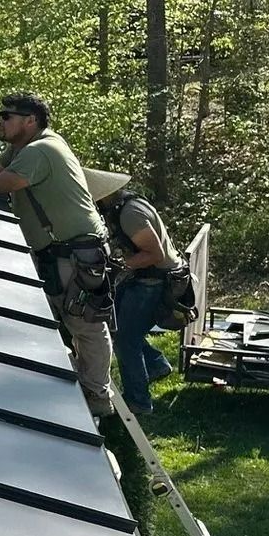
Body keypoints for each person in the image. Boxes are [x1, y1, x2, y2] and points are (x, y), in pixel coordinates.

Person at [0, 93, 116, 416]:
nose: (0, 121)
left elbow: (2, 183)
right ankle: (82, 386)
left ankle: (97, 395)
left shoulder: (41, 150)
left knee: (86, 324)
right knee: (71, 321)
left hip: (75, 253)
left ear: (30, 121)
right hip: (63, 252)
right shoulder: (24, 147)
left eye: (7, 116)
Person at [84, 168, 179, 415]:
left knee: (126, 340)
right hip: (144, 276)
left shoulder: (130, 214)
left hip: (153, 280)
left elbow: (154, 255)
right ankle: (157, 365)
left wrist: (120, 265)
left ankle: (139, 401)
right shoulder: (123, 206)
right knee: (121, 329)